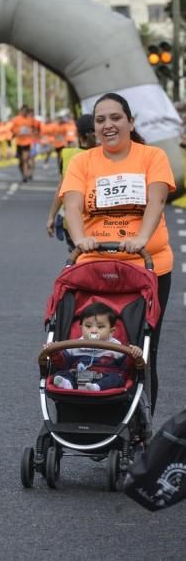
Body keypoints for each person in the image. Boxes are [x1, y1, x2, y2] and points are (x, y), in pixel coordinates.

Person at [60, 92, 176, 413]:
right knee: (86, 342)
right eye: (100, 120)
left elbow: (156, 200)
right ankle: (88, 408)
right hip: (94, 266)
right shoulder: (83, 161)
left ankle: (141, 423)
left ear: (130, 122)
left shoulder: (152, 157)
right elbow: (71, 205)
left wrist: (141, 237)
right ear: (93, 129)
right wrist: (80, 238)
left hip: (146, 267)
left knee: (142, 349)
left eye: (115, 118)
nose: (108, 125)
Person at [49, 302, 142, 391]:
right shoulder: (75, 345)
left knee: (117, 378)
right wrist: (55, 352)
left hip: (104, 377)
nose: (93, 331)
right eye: (88, 326)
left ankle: (97, 387)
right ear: (81, 328)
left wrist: (133, 354)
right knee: (61, 373)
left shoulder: (116, 347)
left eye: (100, 327)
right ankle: (67, 384)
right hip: (78, 375)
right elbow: (63, 364)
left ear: (111, 331)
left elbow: (126, 368)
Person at [46, 113, 97, 251]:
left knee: (79, 258)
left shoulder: (69, 155)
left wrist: (51, 216)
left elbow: (61, 189)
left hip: (73, 222)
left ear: (78, 134)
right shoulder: (107, 154)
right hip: (98, 222)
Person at [11, 105, 41, 182]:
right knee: (20, 162)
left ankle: (26, 174)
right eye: (23, 111)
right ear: (20, 111)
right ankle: (24, 173)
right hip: (19, 142)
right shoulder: (16, 119)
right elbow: (12, 130)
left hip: (28, 142)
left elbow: (36, 128)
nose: (24, 112)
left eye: (25, 111)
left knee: (25, 159)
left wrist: (34, 133)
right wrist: (15, 134)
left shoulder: (30, 120)